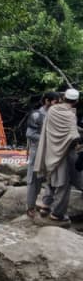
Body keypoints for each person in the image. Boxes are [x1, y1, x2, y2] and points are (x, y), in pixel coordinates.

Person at [33, 88, 81, 223]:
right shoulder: (70, 115)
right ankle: (57, 214)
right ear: (76, 101)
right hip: (63, 153)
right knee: (63, 183)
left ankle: (45, 205)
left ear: (63, 97)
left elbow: (49, 129)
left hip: (50, 151)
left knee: (51, 177)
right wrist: (78, 143)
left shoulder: (52, 110)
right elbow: (73, 136)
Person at [25, 91, 60, 217]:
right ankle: (30, 207)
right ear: (47, 101)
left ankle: (46, 206)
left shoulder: (58, 115)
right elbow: (30, 134)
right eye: (56, 102)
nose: (58, 104)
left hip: (53, 153)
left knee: (53, 181)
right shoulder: (37, 115)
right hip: (37, 153)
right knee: (34, 181)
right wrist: (47, 138)